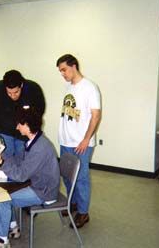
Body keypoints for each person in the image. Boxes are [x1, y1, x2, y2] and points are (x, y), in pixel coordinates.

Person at [0, 106, 60, 248]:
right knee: (6, 189)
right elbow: (19, 161)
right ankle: (12, 227)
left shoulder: (40, 147)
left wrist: (1, 162)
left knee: (3, 198)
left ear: (27, 125)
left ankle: (2, 242)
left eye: (19, 124)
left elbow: (21, 175)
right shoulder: (34, 140)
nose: (16, 127)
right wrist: (1, 154)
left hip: (44, 192)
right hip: (38, 184)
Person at [56, 54, 101, 228]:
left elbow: (96, 116)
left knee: (81, 179)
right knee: (67, 177)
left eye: (64, 70)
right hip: (65, 141)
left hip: (81, 143)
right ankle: (72, 203)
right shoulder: (68, 86)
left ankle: (83, 213)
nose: (62, 74)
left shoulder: (90, 87)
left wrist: (86, 139)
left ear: (74, 66)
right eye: (60, 71)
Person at [0, 70, 45, 156]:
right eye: (9, 93)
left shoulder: (33, 90)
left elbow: (38, 115)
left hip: (24, 134)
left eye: (16, 92)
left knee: (23, 162)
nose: (13, 96)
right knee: (4, 162)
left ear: (21, 85)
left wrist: (33, 135)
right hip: (3, 132)